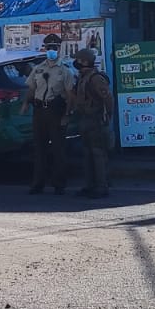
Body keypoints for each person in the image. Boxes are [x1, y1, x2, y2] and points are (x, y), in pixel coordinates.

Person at [21, 33, 74, 195]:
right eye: (49, 47)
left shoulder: (65, 71)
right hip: (39, 111)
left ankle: (59, 184)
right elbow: (32, 89)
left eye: (54, 47)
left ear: (59, 49)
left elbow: (70, 95)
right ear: (45, 48)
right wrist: (25, 104)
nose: (52, 50)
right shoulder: (38, 68)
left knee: (58, 149)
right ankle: (38, 183)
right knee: (39, 149)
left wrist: (67, 114)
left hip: (55, 111)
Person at [68, 47, 114, 197]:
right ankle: (90, 185)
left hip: (95, 119)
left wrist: (108, 116)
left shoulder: (95, 78)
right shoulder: (82, 77)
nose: (76, 62)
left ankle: (101, 186)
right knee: (87, 154)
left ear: (85, 61)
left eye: (78, 60)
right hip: (85, 119)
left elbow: (108, 97)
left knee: (97, 153)